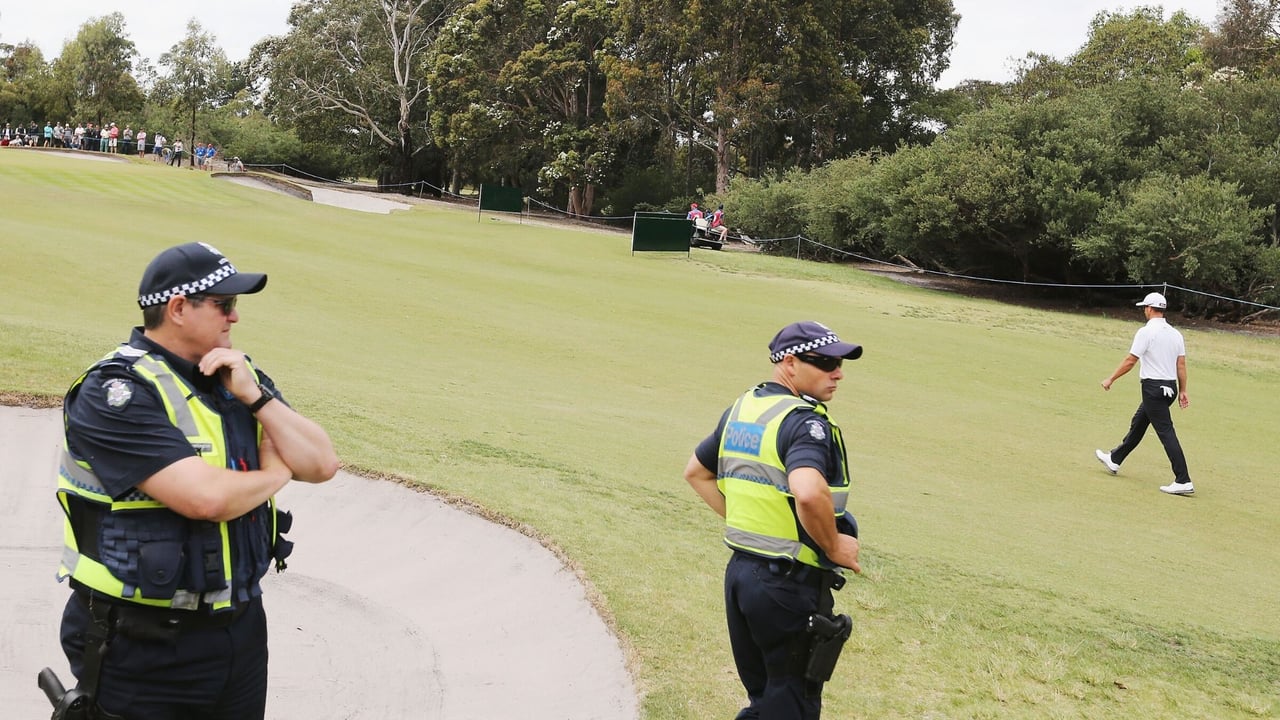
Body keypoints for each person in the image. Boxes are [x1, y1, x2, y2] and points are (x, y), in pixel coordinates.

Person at [55, 241, 340, 718]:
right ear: (178, 308)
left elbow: (321, 463)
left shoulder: (236, 376)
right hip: (141, 643)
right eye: (224, 304)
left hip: (239, 632)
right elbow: (205, 499)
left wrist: (257, 398)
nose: (235, 317)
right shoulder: (115, 391)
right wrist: (276, 471)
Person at [684, 320, 864, 719]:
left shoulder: (744, 410)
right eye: (825, 363)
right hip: (787, 584)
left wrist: (754, 523)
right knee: (791, 703)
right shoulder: (804, 423)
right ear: (790, 363)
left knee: (767, 699)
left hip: (742, 577)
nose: (837, 373)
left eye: (840, 363)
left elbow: (696, 473)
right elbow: (808, 490)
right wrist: (834, 545)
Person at [1095, 292, 1194, 495]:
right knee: (1139, 423)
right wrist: (1183, 390)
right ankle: (1115, 459)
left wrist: (1111, 379)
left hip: (1153, 389)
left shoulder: (1146, 332)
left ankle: (1183, 479)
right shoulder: (1176, 334)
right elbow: (1181, 365)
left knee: (1166, 432)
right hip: (1170, 388)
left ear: (1149, 309)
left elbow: (1131, 360)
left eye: (1145, 308)